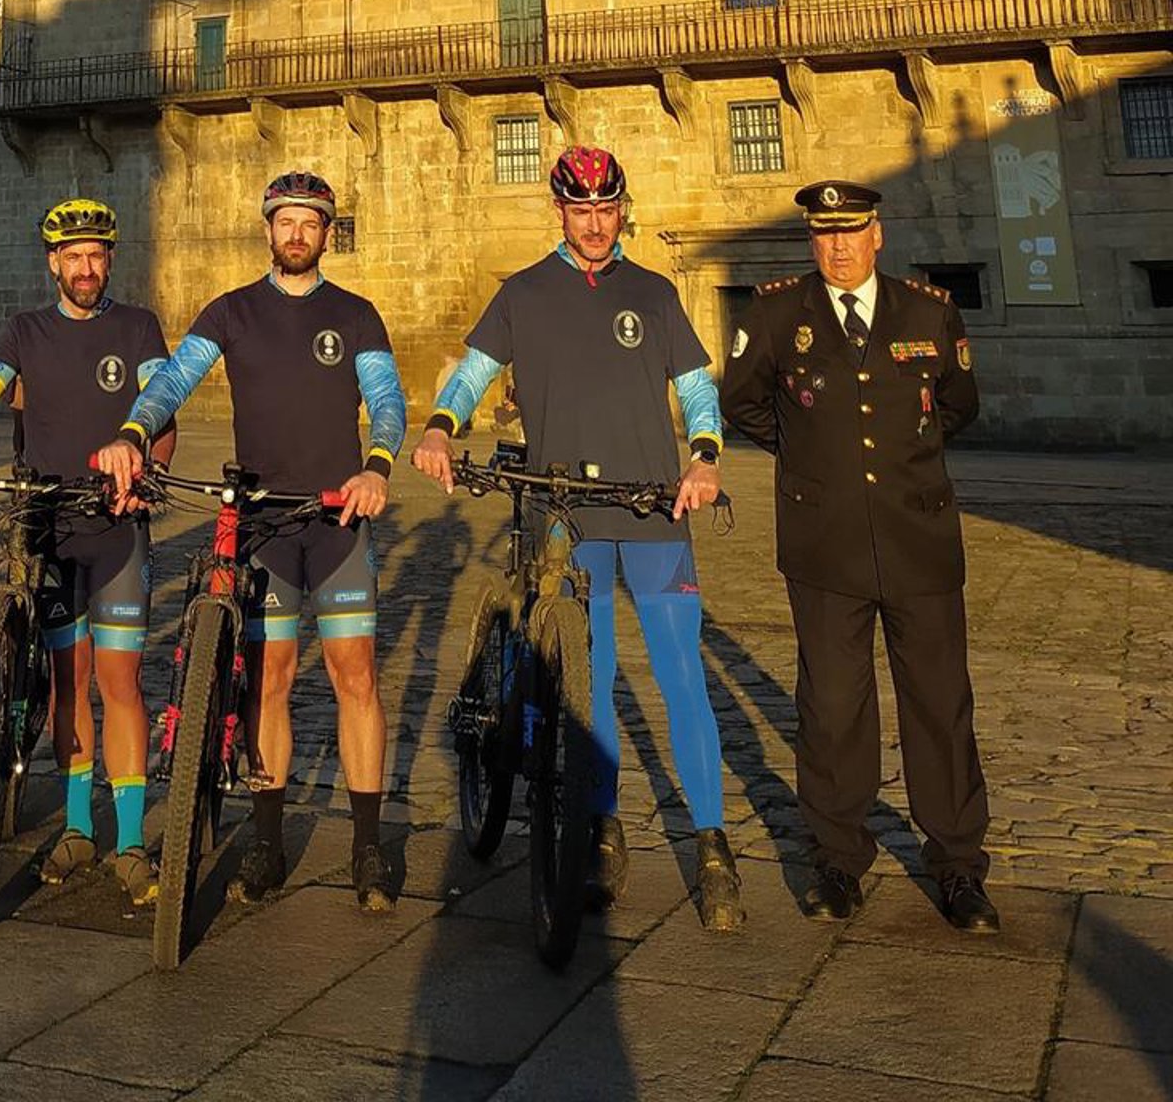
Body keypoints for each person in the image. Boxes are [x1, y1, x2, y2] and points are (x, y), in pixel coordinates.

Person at [412, 144, 745, 931]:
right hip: (563, 515)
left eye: (606, 209)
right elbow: (472, 373)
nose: (595, 225)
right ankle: (600, 829)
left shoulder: (654, 293)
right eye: (581, 210)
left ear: (622, 209)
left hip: (652, 508)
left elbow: (697, 391)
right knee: (590, 684)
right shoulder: (523, 293)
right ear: (559, 211)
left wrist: (704, 458)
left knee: (681, 676)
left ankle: (712, 844)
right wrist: (439, 426)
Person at [95, 170, 406, 914]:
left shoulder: (356, 314)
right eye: (285, 221)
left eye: (310, 223)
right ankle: (266, 841)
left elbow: (387, 400)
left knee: (356, 677)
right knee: (270, 680)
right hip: (263, 525)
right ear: (267, 229)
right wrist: (134, 432)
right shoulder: (231, 311)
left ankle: (367, 844)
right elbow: (173, 382)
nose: (297, 234)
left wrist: (376, 466)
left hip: (336, 521)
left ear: (326, 234)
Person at [721, 180, 997, 934]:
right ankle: (838, 860)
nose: (838, 247)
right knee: (833, 706)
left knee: (940, 704)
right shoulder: (777, 314)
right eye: (824, 233)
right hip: (825, 542)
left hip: (919, 538)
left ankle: (958, 866)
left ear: (878, 234)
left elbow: (957, 403)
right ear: (811, 240)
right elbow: (744, 402)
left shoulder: (928, 312)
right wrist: (816, 461)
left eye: (851, 231)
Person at [0, 198, 175, 905]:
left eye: (95, 256)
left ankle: (131, 840)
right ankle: (78, 827)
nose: (85, 268)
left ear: (109, 260)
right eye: (72, 257)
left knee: (120, 681)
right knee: (67, 681)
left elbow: (161, 413)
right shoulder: (25, 330)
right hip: (49, 522)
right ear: (53, 263)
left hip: (115, 522)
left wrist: (149, 471)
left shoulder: (137, 326)